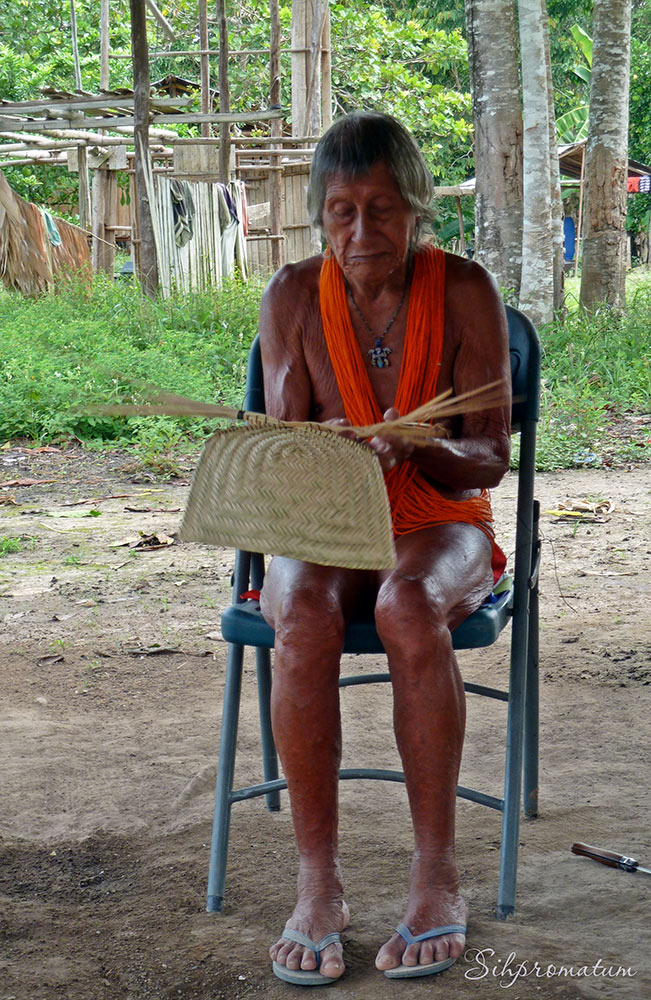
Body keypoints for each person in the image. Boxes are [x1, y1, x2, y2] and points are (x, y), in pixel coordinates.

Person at [258, 111, 511, 984]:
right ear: (318, 216)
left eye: (380, 209)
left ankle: (435, 874)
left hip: (439, 510)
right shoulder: (292, 296)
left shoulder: (465, 289)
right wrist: (322, 442)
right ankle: (317, 882)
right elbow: (278, 454)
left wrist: (418, 444)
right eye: (340, 212)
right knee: (299, 613)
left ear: (415, 208)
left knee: (407, 605)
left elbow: (489, 458)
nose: (360, 232)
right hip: (328, 515)